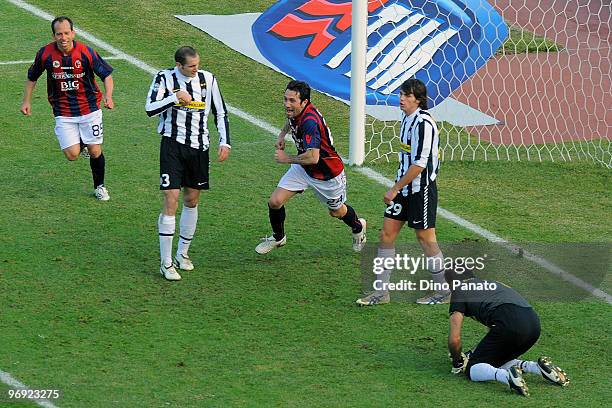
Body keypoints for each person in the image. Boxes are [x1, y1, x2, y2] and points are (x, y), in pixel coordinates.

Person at [357, 78, 445, 306]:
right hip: (403, 189)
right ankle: (381, 292)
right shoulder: (406, 120)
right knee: (386, 234)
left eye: (406, 95)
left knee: (425, 239)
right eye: (401, 94)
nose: (402, 99)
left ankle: (443, 290)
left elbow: (420, 164)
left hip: (420, 190)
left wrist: (395, 187)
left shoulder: (425, 125)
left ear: (418, 99)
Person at [145, 46, 231, 281]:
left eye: (197, 65)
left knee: (191, 199)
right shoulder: (164, 78)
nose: (196, 70)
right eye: (191, 66)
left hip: (199, 148)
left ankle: (183, 253)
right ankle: (166, 262)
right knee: (171, 199)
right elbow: (149, 109)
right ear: (179, 66)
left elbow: (220, 112)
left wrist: (225, 142)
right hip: (172, 145)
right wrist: (174, 98)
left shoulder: (208, 79)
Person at [255, 80, 366, 254]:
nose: (287, 104)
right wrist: (282, 134)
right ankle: (278, 238)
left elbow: (313, 157)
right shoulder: (296, 111)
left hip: (327, 175)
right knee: (275, 202)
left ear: (304, 102)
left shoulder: (310, 122)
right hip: (304, 169)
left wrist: (286, 159)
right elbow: (290, 121)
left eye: (292, 101)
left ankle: (358, 227)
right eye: (285, 99)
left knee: (336, 212)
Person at [20, 16, 114, 201]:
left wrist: (108, 96)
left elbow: (106, 75)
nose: (63, 37)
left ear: (73, 33)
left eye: (66, 33)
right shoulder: (45, 54)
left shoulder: (86, 52)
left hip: (90, 109)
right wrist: (26, 101)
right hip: (63, 111)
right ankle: (83, 142)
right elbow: (32, 77)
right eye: (59, 34)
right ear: (54, 36)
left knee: (95, 151)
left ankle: (100, 187)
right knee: (72, 155)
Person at [446, 268, 570, 396]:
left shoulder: (459, 291)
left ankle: (506, 376)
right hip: (533, 324)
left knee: (472, 369)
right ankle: (534, 367)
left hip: (509, 324)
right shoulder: (492, 284)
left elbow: (455, 339)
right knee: (496, 358)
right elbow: (494, 339)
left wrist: (457, 361)